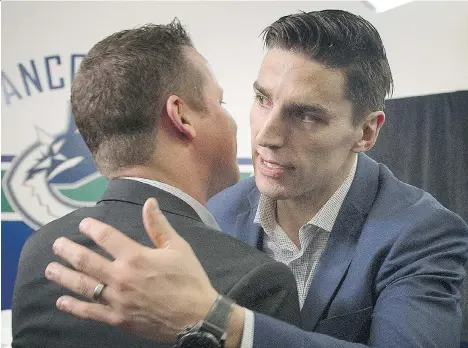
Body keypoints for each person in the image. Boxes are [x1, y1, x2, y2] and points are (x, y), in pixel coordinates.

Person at [45, 9, 468, 348]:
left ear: (366, 132)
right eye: (262, 99)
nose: (267, 135)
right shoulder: (218, 208)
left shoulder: (422, 232)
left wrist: (218, 322)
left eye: (305, 115)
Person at [11, 20, 301, 348]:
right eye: (219, 103)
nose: (234, 122)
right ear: (182, 117)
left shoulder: (41, 252)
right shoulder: (257, 282)